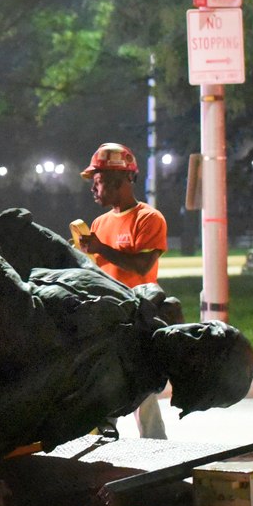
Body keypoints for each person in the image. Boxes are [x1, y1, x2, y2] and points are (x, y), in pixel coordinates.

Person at [76, 141, 169, 438]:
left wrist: (102, 248)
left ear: (120, 181)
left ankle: (159, 453)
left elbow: (142, 266)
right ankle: (101, 446)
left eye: (98, 181)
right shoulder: (100, 223)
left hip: (139, 318)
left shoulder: (149, 219)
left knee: (143, 394)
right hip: (107, 318)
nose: (93, 189)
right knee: (103, 388)